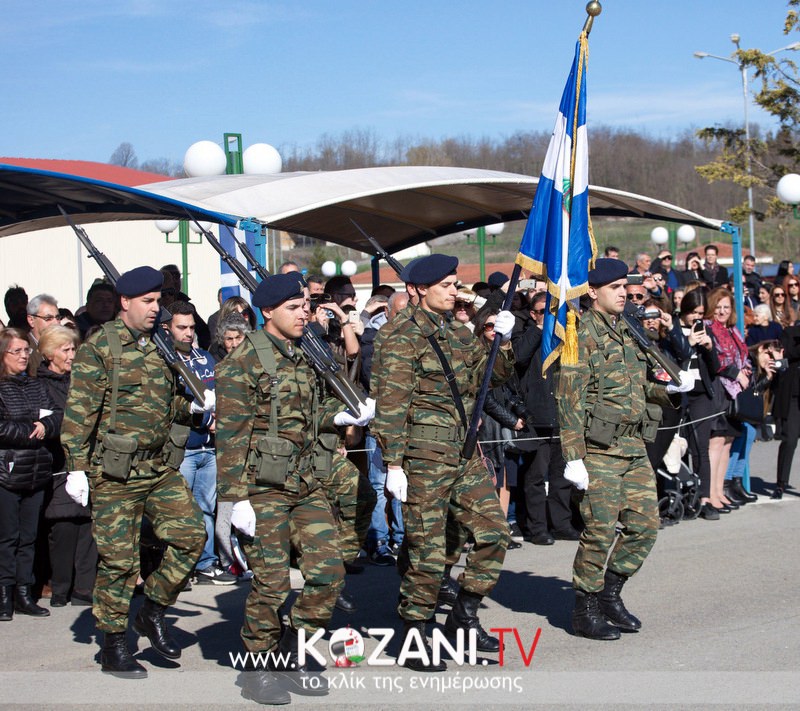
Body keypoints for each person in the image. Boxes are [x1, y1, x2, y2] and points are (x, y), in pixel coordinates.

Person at [215, 272, 374, 704]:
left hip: (306, 482)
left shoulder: (305, 354)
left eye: (305, 305)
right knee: (271, 583)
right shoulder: (242, 363)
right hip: (261, 488)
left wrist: (339, 417)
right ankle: (258, 668)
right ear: (267, 312)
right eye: (293, 307)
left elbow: (317, 408)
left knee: (329, 572)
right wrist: (234, 500)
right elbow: (230, 437)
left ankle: (292, 647)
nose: (304, 312)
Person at [60, 266, 210, 678]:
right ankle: (113, 644)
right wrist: (75, 467)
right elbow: (79, 413)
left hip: (159, 468)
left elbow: (167, 407)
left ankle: (153, 610)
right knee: (120, 562)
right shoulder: (100, 348)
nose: (154, 308)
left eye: (157, 301)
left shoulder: (161, 346)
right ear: (124, 302)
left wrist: (193, 409)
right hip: (115, 474)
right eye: (147, 301)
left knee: (192, 537)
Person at [371, 254, 515, 669]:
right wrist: (394, 463)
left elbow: (492, 377)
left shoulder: (458, 331)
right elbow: (392, 404)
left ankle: (463, 616)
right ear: (419, 290)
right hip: (423, 455)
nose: (455, 292)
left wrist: (496, 343)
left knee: (494, 532)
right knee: (429, 551)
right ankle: (415, 631)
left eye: (456, 284)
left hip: (463, 452)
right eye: (447, 285)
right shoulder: (400, 336)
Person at [557, 259, 681, 641]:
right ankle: (585, 609)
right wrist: (573, 455)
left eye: (625, 286)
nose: (624, 292)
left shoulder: (629, 329)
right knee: (599, 531)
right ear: (593, 292)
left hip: (633, 444)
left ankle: (610, 593)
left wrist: (668, 390)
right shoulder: (579, 332)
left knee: (645, 527)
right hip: (598, 449)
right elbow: (570, 397)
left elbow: (643, 386)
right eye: (615, 287)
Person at [166, 301, 235, 586]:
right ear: (168, 329)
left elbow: (221, 394)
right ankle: (177, 568)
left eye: (192, 327)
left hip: (209, 448)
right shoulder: (166, 361)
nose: (188, 333)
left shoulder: (206, 358)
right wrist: (203, 419)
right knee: (179, 512)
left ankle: (205, 563)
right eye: (181, 327)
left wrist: (218, 420)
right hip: (184, 448)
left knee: (206, 507)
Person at [0, 328, 58, 621]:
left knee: (29, 537)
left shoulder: (37, 385)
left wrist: (47, 427)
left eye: (26, 350)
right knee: (7, 537)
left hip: (36, 470)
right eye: (16, 351)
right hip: (7, 472)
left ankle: (25, 592)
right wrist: (30, 431)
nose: (23, 356)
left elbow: (57, 415)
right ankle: (4, 594)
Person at [37, 326, 97, 607]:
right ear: (49, 354)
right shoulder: (41, 384)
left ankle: (84, 588)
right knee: (63, 527)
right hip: (59, 463)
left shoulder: (80, 381)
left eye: (74, 349)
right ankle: (61, 587)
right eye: (66, 350)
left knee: (87, 524)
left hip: (86, 460)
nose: (72, 355)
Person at [678, 289, 724, 520]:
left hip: (701, 395)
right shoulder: (676, 329)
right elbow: (672, 358)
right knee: (679, 447)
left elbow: (715, 368)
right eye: (693, 313)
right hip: (679, 393)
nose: (697, 318)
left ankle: (704, 498)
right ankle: (682, 496)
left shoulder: (705, 329)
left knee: (700, 447)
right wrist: (687, 342)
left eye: (701, 314)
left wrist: (708, 347)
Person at [705, 288, 752, 514]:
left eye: (726, 307)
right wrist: (737, 374)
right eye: (719, 306)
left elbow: (744, 356)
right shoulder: (709, 328)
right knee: (716, 442)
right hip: (719, 389)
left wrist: (746, 371)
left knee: (727, 442)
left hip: (735, 392)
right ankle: (711, 493)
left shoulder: (732, 330)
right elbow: (717, 360)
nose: (722, 311)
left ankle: (720, 491)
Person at [772, 321, 800, 499]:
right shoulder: (791, 332)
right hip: (793, 394)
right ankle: (781, 483)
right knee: (790, 440)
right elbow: (786, 354)